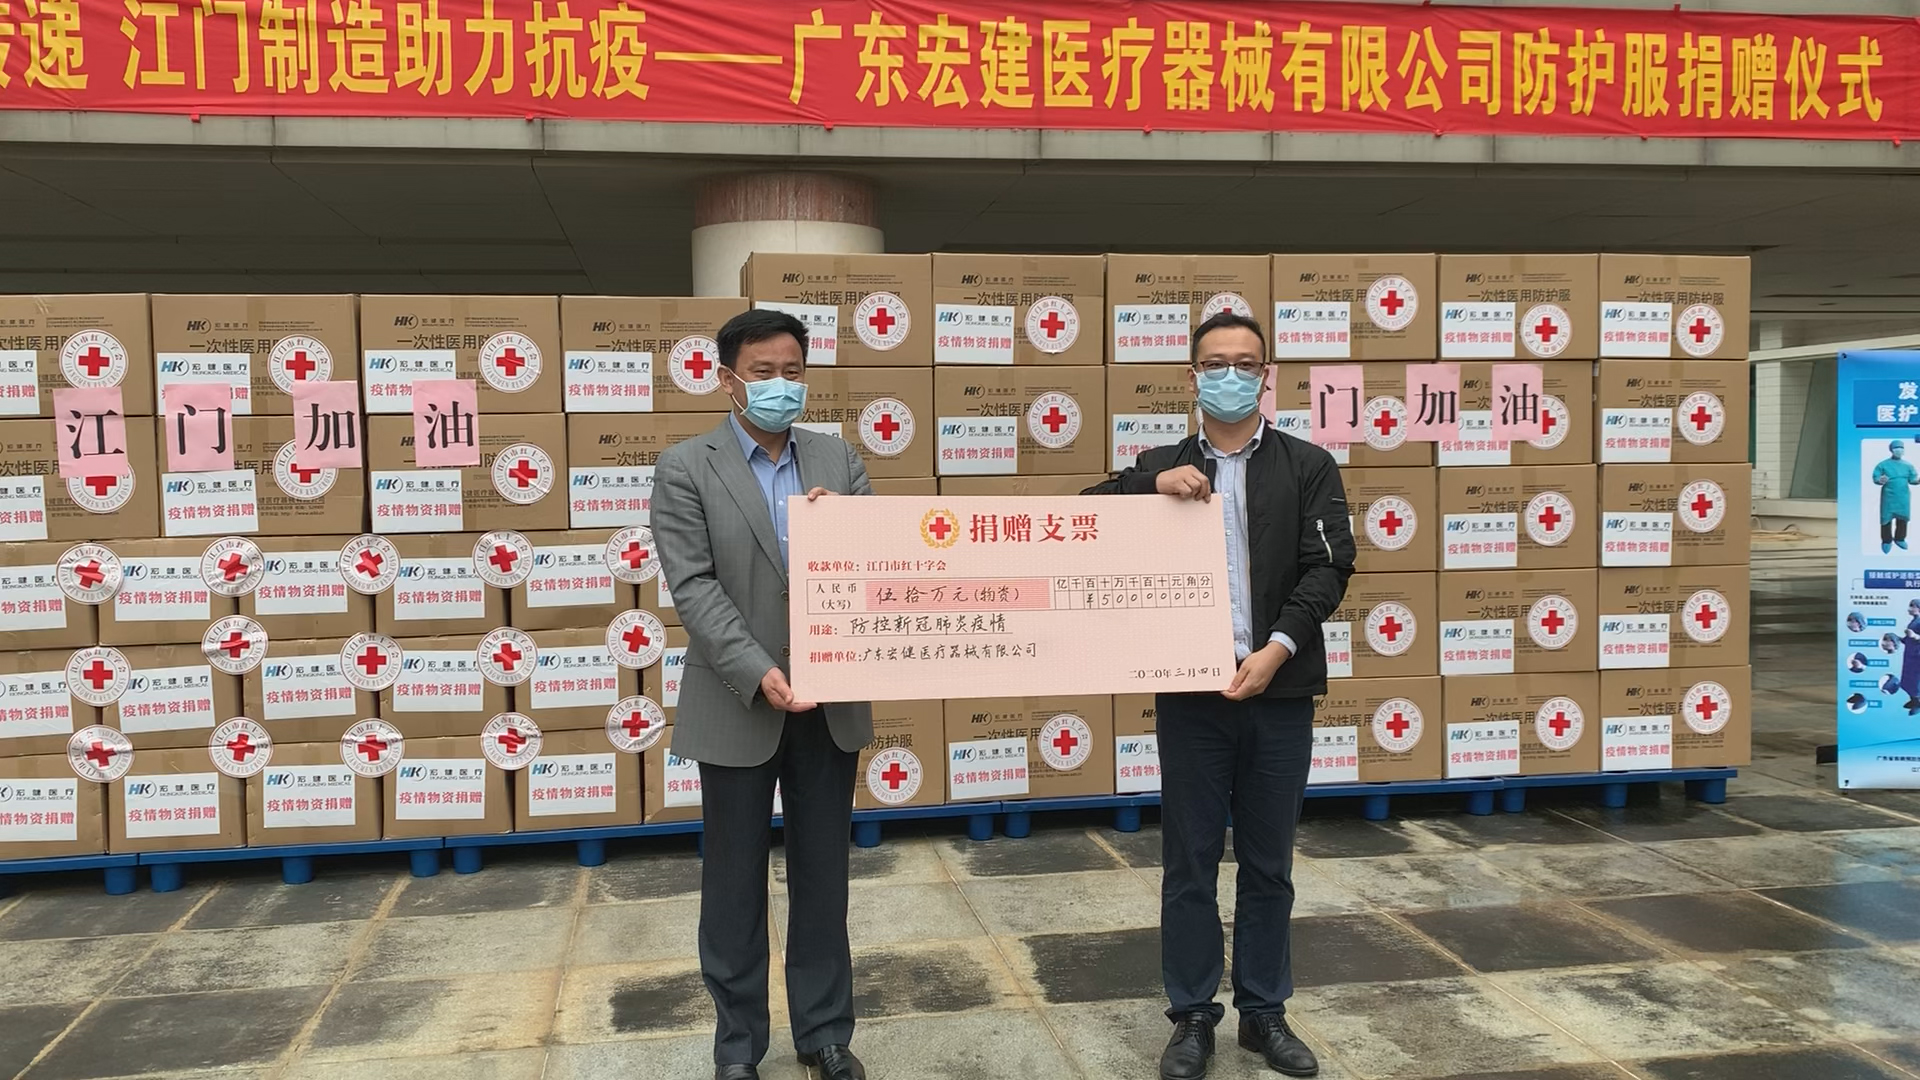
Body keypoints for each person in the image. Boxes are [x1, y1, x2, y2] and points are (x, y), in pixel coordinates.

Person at [1085, 312, 1355, 1080]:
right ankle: (1193, 1016)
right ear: (1191, 376)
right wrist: (1148, 486)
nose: (1230, 375)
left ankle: (1264, 1013)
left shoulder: (1308, 465)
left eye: (1246, 363)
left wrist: (1278, 648)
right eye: (1215, 363)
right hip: (1192, 697)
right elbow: (1080, 517)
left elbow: (1329, 566)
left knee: (1268, 862)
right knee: (1190, 861)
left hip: (1278, 688)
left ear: (1266, 376)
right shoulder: (1161, 464)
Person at [652, 309, 873, 1080]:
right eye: (764, 372)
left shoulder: (838, 458)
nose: (781, 385)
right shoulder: (686, 466)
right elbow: (694, 586)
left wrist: (846, 529)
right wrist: (756, 669)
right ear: (728, 379)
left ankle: (825, 1032)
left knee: (824, 877)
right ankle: (738, 1047)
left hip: (830, 701)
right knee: (733, 883)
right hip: (738, 700)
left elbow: (879, 564)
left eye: (793, 372)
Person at [1872, 439, 1918, 553]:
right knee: (1886, 519)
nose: (1899, 450)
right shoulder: (1883, 465)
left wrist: (1918, 480)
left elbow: (1913, 480)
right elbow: (1876, 477)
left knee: (1903, 519)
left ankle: (1900, 539)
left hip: (1903, 496)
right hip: (1888, 496)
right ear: (1891, 450)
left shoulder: (1908, 466)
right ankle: (1886, 541)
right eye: (1896, 448)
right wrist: (1879, 479)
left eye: (1901, 448)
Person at [1901, 598, 1920, 713]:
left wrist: (1914, 636)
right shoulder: (1914, 621)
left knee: (1916, 680)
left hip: (1917, 656)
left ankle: (1917, 703)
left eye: (1912, 606)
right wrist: (1898, 639)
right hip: (1909, 655)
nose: (1909, 608)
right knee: (1908, 679)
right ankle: (1913, 700)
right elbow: (1908, 639)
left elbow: (1915, 637)